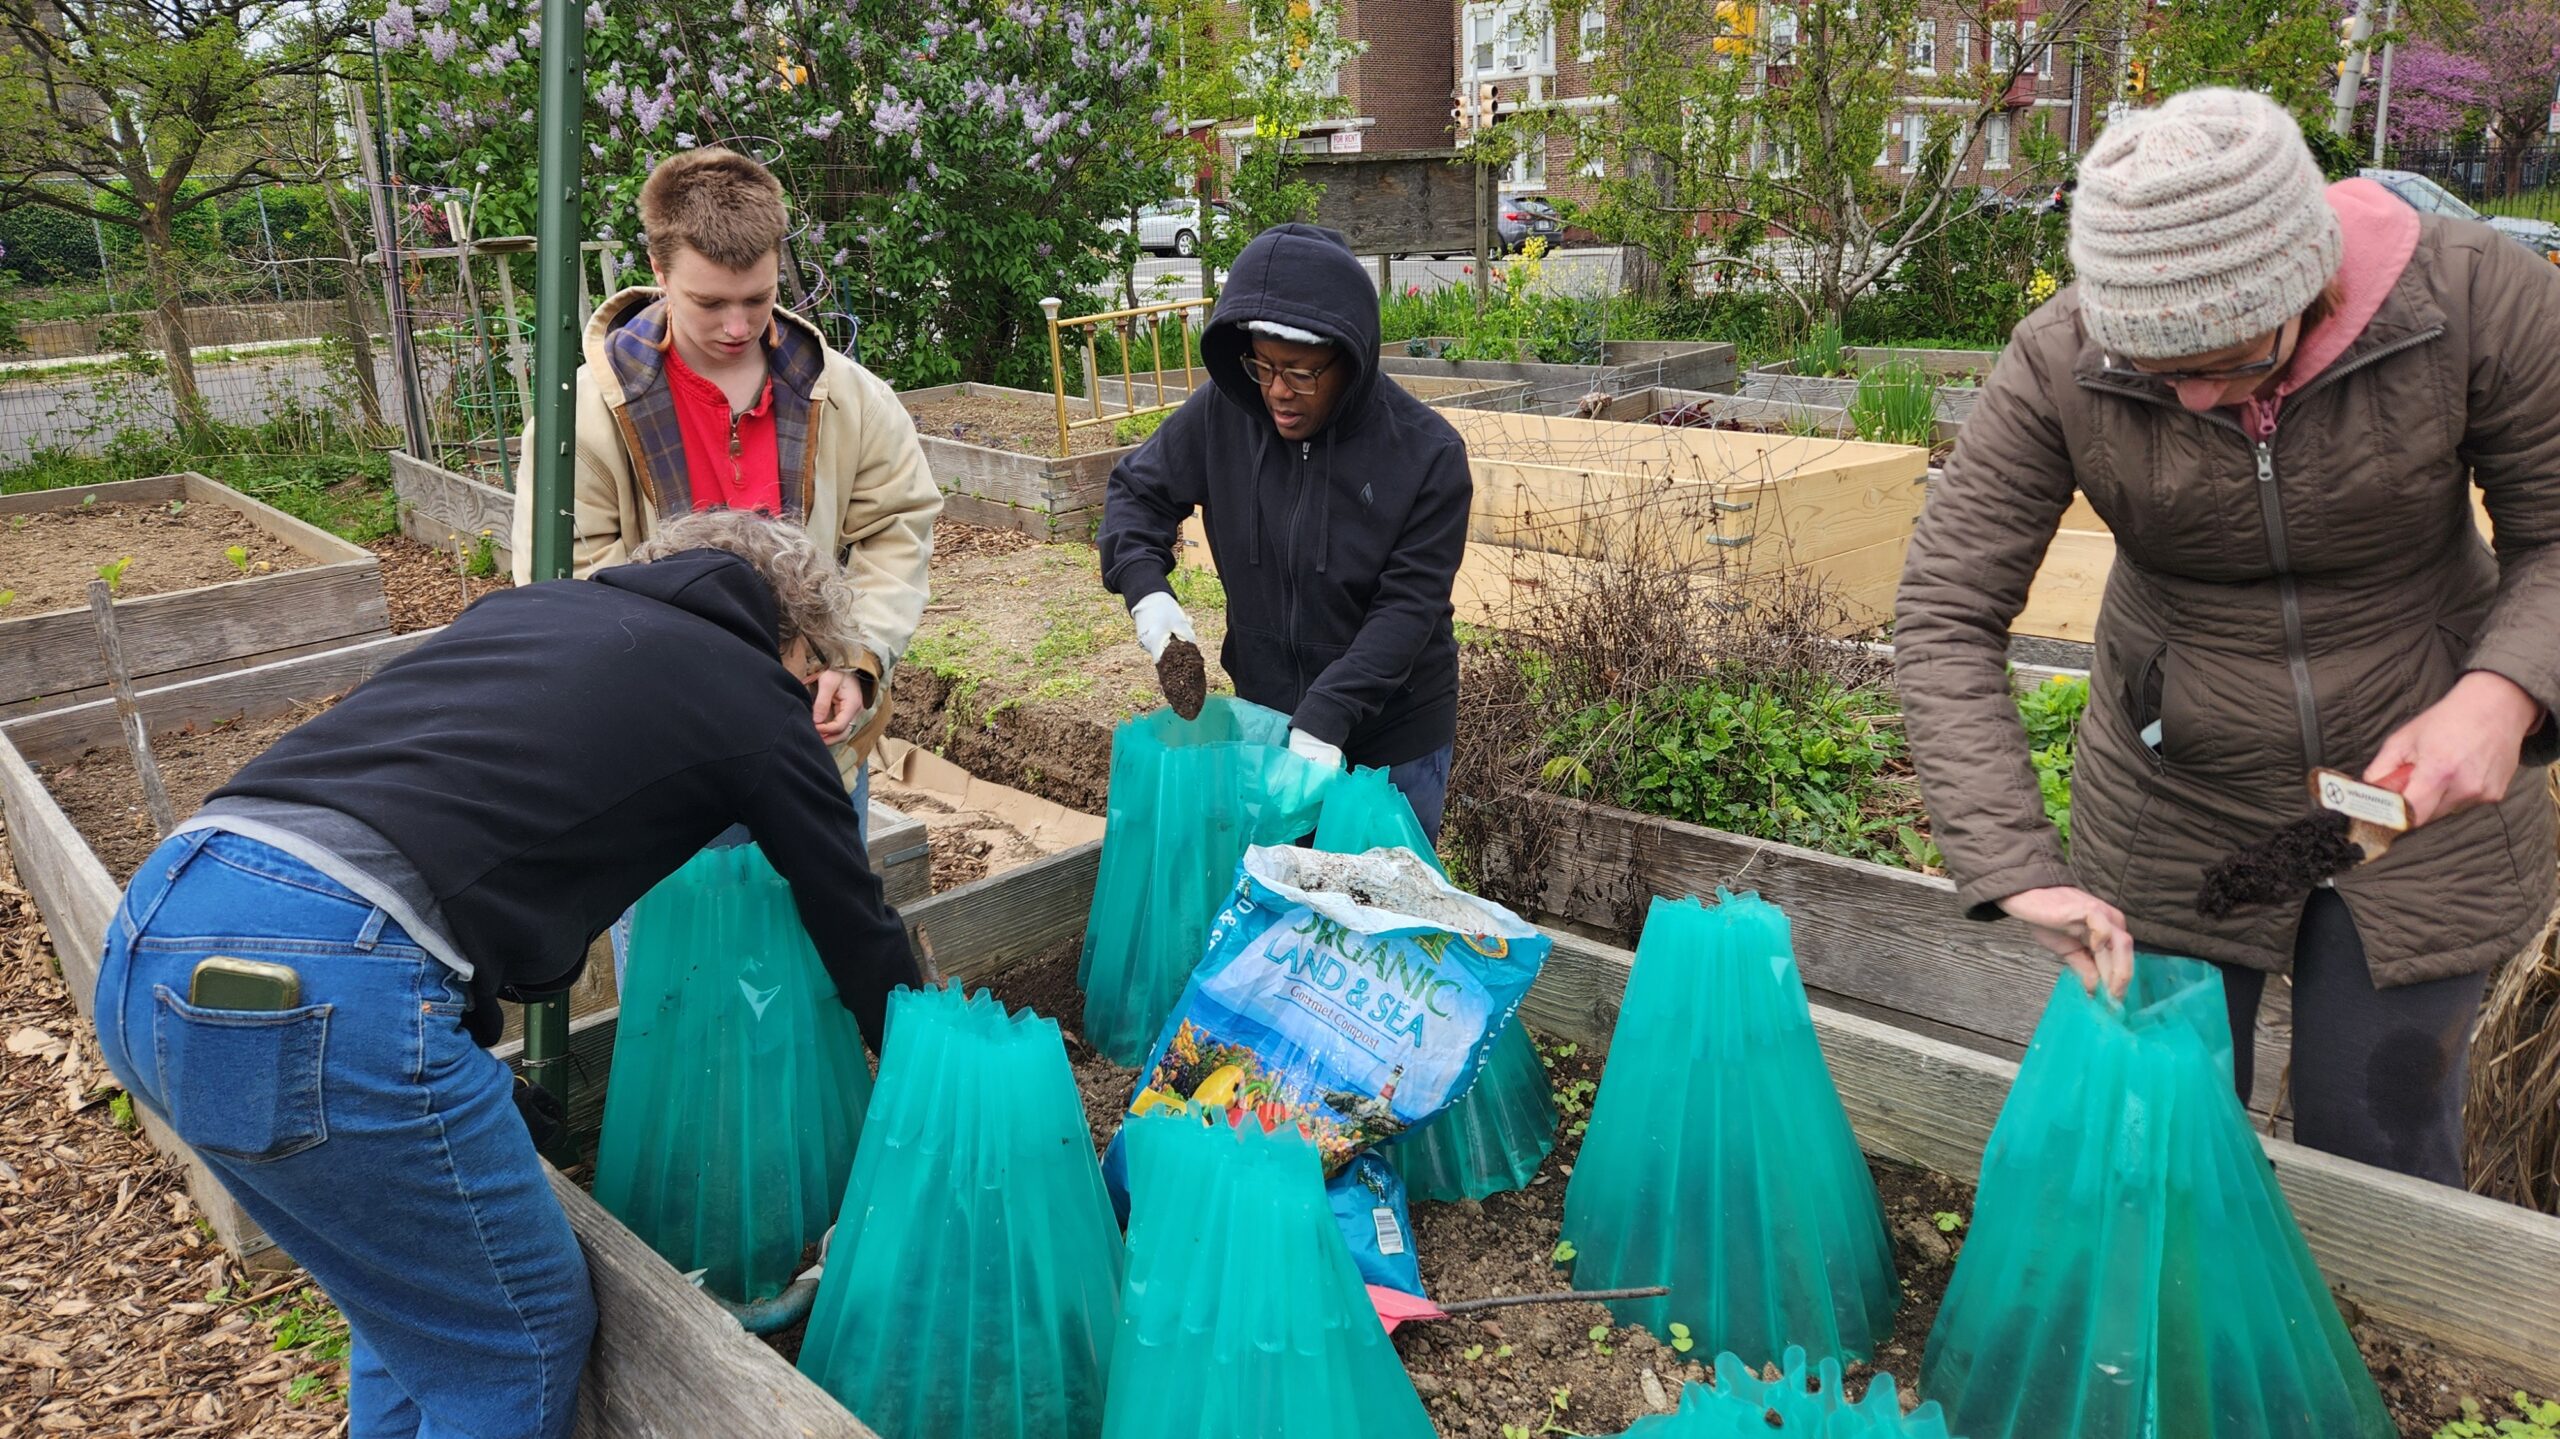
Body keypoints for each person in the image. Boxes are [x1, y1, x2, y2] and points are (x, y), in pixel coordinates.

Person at [91, 511, 925, 1438]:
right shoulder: (751, 690)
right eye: (814, 667)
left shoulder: (533, 611)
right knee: (514, 1341)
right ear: (794, 634)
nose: (811, 688)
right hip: (330, 981)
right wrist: (929, 1060)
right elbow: (850, 910)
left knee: (416, 1310)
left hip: (158, 922)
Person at [1895, 88, 2560, 1187]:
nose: (2197, 397)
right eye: (2159, 373)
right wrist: (2013, 865)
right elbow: (1944, 610)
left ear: (2310, 278)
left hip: (2415, 792)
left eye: (2230, 361)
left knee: (2383, 1143)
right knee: (2163, 1143)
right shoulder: (2058, 357)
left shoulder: (2476, 298)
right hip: (2176, 795)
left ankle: (2351, 1346)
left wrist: (2504, 690)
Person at [509, 144, 940, 819]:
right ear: (657, 269)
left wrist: (855, 663)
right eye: (709, 302)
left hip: (814, 750)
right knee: (676, 929)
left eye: (758, 299)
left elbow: (898, 529)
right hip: (657, 763)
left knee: (823, 926)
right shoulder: (583, 418)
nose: (737, 326)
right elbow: (566, 588)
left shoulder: (853, 399)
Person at [1097, 223, 1472, 840]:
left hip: (1393, 741)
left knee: (1374, 922)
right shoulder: (1225, 414)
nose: (1277, 392)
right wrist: (1150, 596)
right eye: (1263, 366)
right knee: (1277, 923)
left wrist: (1327, 715)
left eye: (1301, 373)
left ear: (1349, 360)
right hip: (1267, 723)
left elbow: (1408, 608)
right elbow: (1137, 490)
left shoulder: (1427, 456)